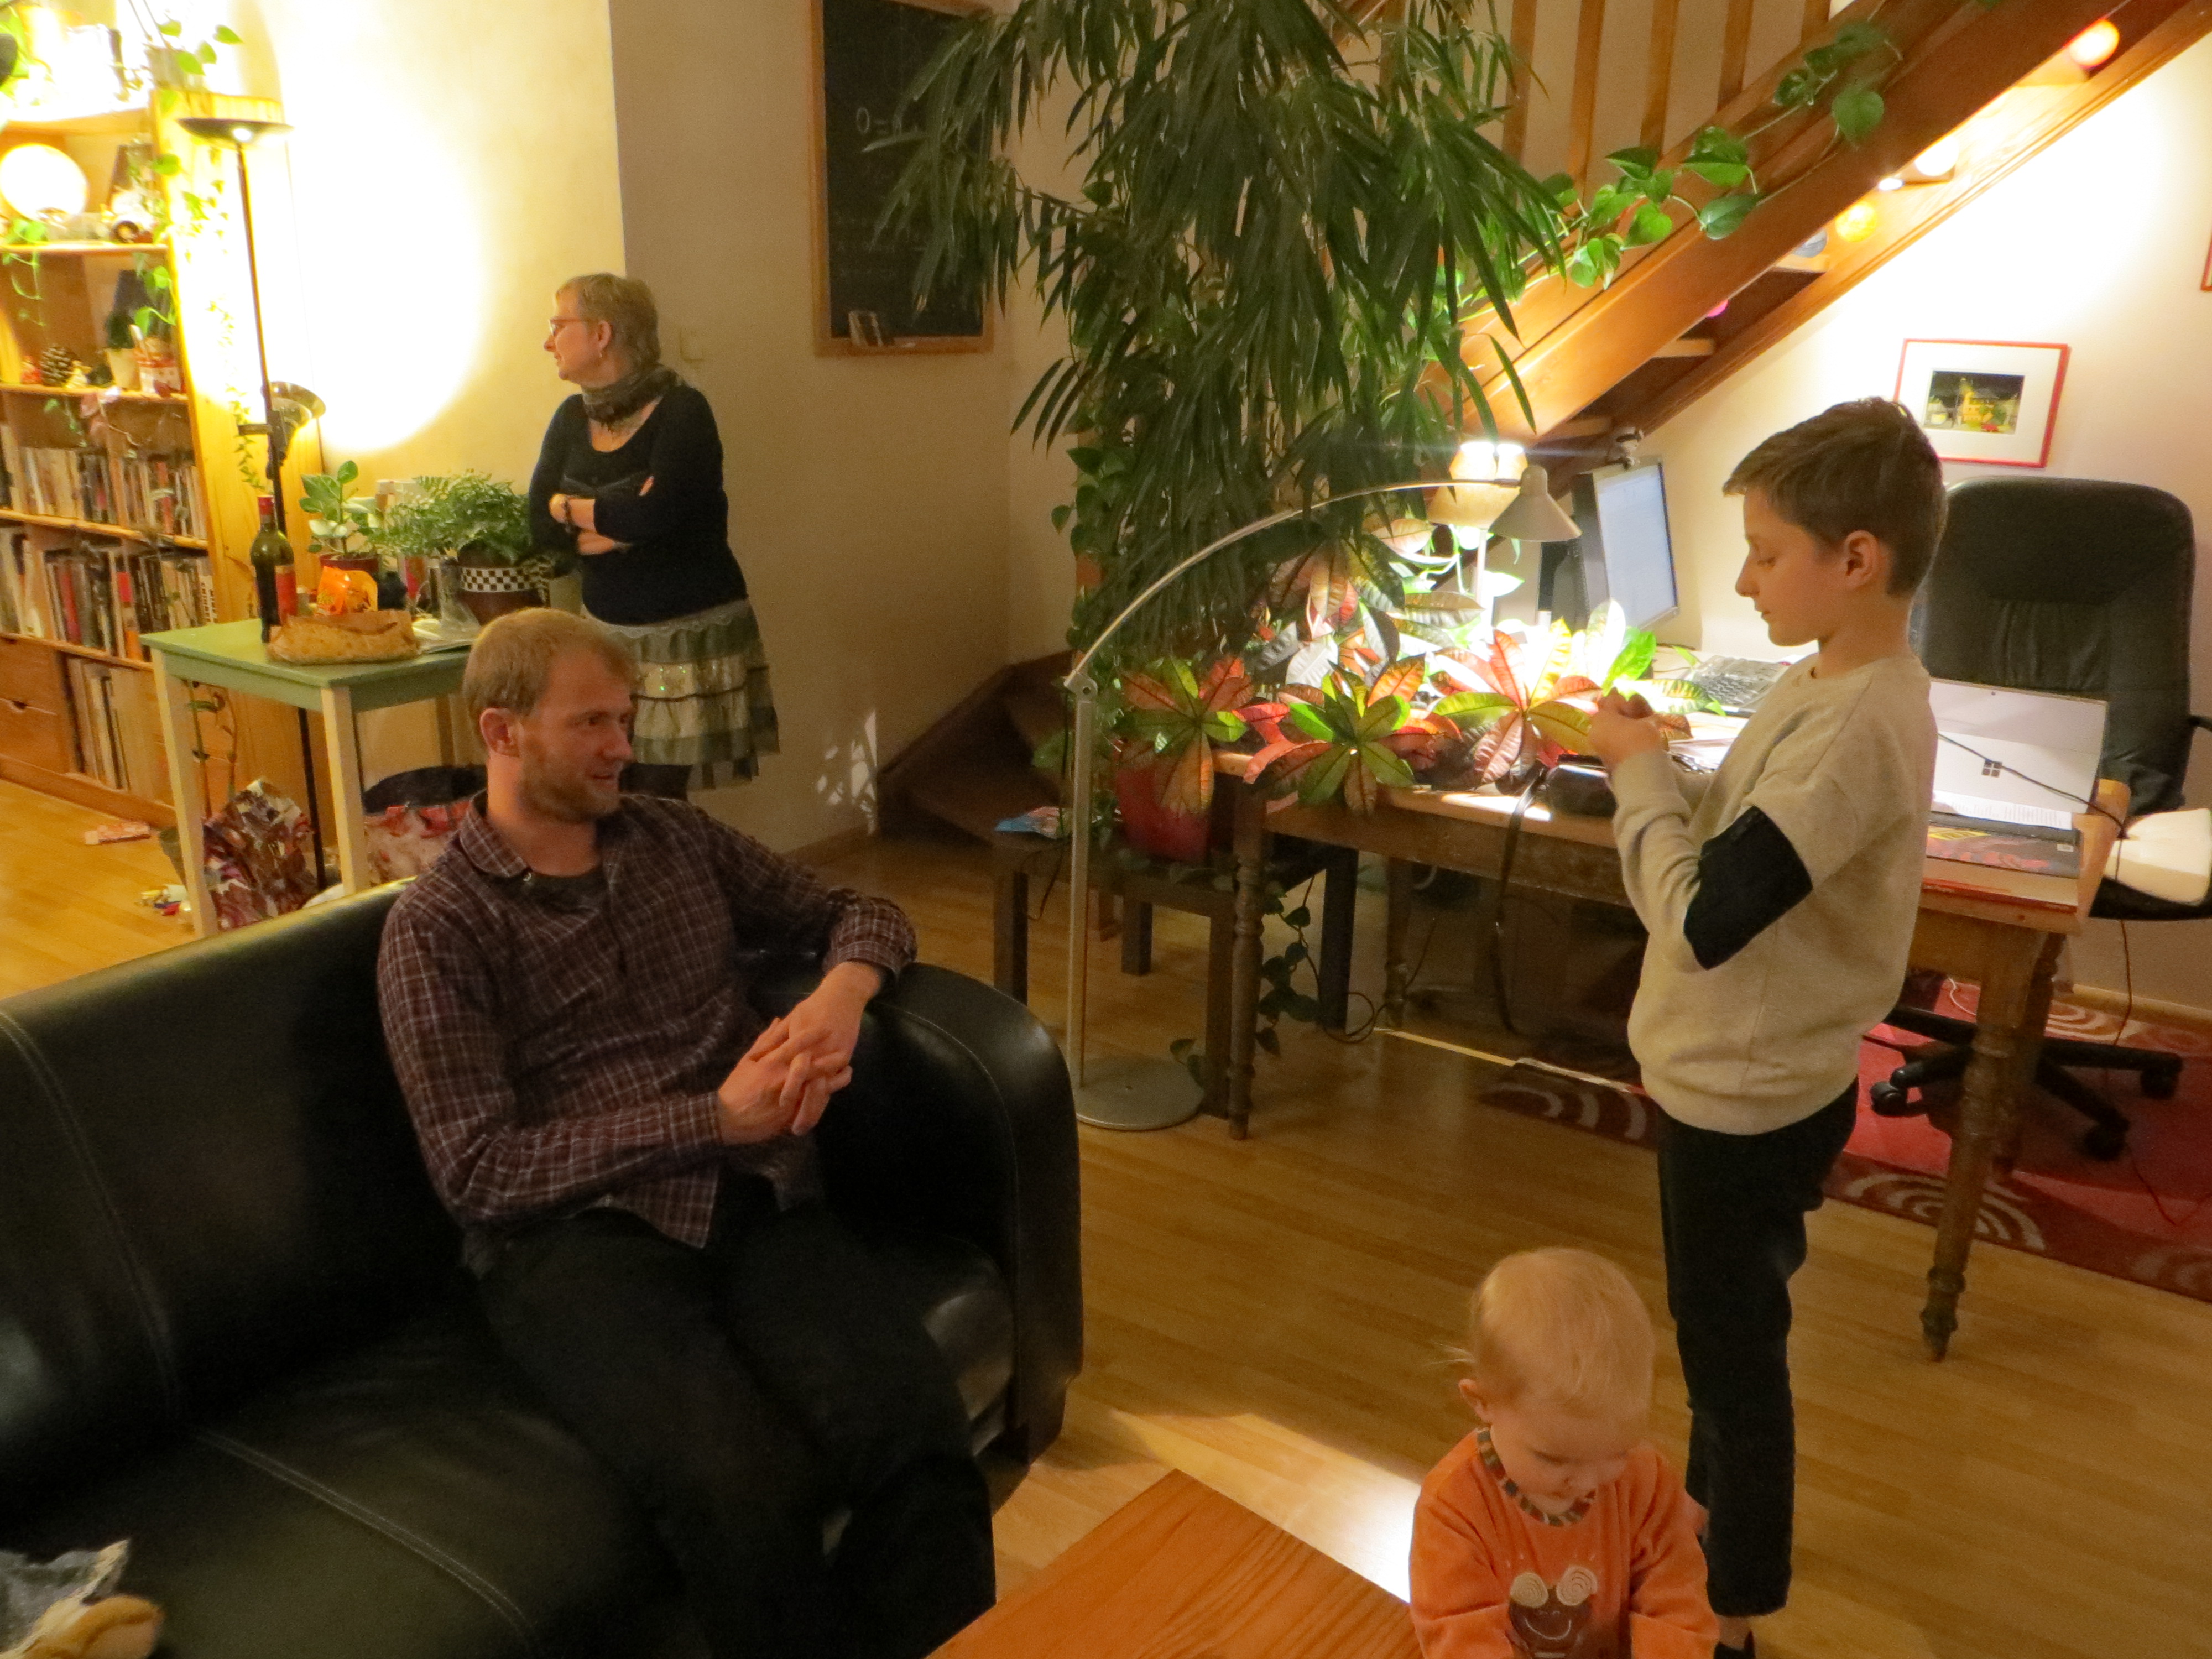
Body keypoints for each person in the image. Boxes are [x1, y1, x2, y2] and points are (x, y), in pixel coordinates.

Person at [375, 609, 993, 1659]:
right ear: (502, 731)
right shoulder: (438, 929)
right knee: (740, 1493)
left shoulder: (676, 839)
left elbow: (860, 910)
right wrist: (710, 1117)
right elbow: (477, 1170)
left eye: (626, 719)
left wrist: (842, 994)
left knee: (920, 1436)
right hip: (577, 1241)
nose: (623, 747)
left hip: (755, 1195)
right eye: (591, 723)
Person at [1585, 398, 1943, 1658]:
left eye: (1764, 551)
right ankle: (1702, 1527)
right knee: (1727, 1330)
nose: (1743, 579)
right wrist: (1678, 773)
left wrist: (1635, 780)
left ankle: (1727, 1617)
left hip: (1743, 1097)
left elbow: (1702, 921)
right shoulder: (1834, 676)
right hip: (1759, 1075)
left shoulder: (1854, 726)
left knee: (1734, 1357)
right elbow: (1757, 832)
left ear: (1857, 560)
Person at [530, 271, 776, 799]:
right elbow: (539, 525)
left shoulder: (683, 412)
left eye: (558, 325)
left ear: (602, 334)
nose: (549, 342)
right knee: (611, 790)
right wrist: (611, 521)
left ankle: (667, 859)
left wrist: (571, 509)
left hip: (683, 641)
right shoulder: (571, 417)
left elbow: (657, 515)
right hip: (607, 637)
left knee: (657, 798)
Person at [1410, 1248, 1716, 1659]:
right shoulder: (1453, 1507)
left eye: (1617, 1452)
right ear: (1482, 1402)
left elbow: (1678, 1593)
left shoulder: (1646, 1480)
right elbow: (1458, 1632)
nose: (1588, 1482)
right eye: (1554, 1459)